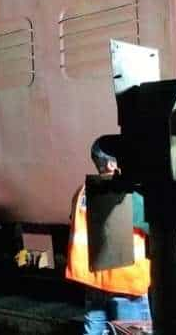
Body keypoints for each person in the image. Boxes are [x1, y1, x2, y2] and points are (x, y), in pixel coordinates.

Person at [65, 139, 151, 335]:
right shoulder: (126, 191)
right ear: (112, 164)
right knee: (134, 331)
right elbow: (153, 227)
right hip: (125, 283)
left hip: (93, 281)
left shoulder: (82, 191)